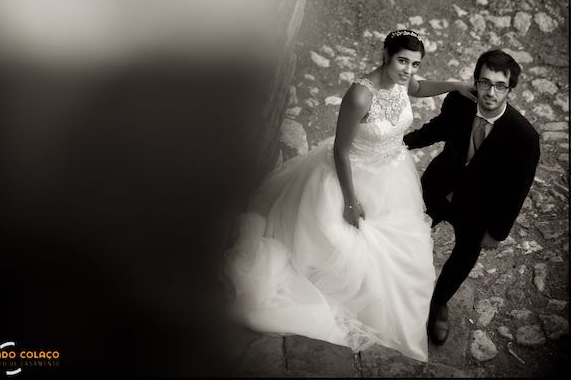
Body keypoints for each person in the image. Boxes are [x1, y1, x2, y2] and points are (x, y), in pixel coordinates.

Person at [224, 29, 478, 362]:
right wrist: (350, 201)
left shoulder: (405, 80)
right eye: (403, 61)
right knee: (347, 245)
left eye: (415, 64)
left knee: (396, 243)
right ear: (386, 54)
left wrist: (455, 85)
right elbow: (341, 151)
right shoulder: (360, 95)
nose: (408, 70)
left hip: (393, 175)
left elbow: (416, 88)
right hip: (352, 176)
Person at [403, 48, 540, 345]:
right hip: (438, 187)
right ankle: (398, 281)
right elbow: (436, 130)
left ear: (510, 89)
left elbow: (518, 189)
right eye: (484, 82)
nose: (490, 91)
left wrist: (497, 233)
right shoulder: (458, 103)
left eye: (500, 85)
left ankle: (438, 304)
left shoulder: (524, 138)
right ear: (475, 81)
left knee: (463, 256)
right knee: (408, 231)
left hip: (479, 209)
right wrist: (400, 144)